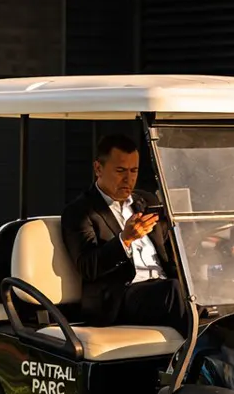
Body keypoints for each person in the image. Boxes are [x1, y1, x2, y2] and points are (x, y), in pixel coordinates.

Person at [61, 134, 190, 334]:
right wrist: (125, 239)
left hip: (162, 285)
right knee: (174, 291)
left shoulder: (146, 202)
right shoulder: (80, 211)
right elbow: (88, 267)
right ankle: (205, 355)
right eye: (120, 171)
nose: (128, 179)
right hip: (120, 296)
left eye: (133, 170)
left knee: (210, 287)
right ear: (98, 169)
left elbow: (170, 248)